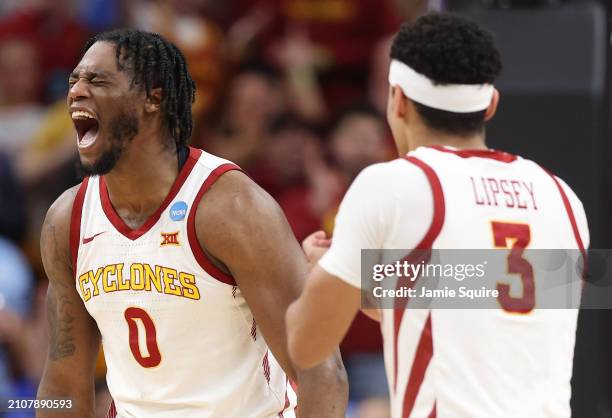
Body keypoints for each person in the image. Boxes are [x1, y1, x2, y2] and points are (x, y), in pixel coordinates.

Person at [286, 13, 588, 418]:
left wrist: (328, 277)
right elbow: (486, 298)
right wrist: (359, 281)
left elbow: (307, 344)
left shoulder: (392, 184)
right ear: (491, 105)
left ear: (398, 100)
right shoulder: (561, 195)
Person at [37, 29, 347, 418]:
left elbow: (320, 368)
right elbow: (63, 382)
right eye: (74, 80)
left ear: (154, 98)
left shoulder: (230, 208)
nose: (76, 91)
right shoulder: (67, 219)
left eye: (97, 80)